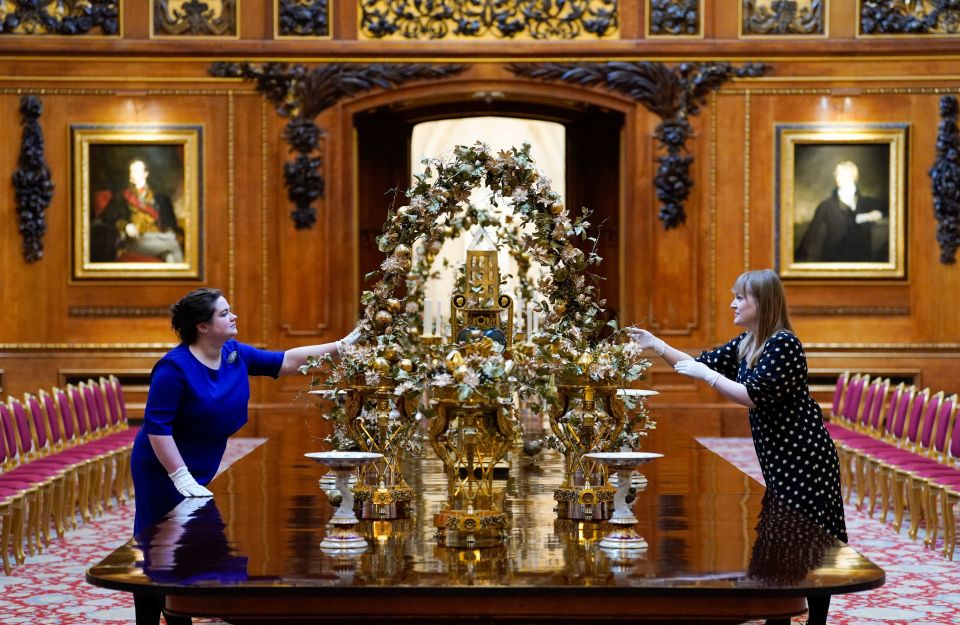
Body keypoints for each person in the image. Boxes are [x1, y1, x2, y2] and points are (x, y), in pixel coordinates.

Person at [627, 269, 846, 625]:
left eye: (740, 297)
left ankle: (814, 622)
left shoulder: (783, 344)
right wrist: (657, 346)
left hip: (804, 459)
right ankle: (780, 618)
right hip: (779, 459)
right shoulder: (748, 342)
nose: (732, 303)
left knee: (810, 542)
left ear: (763, 302)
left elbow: (754, 396)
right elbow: (698, 365)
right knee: (779, 541)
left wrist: (710, 378)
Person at [130, 287, 360, 625]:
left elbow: (288, 361)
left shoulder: (233, 354)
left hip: (201, 463)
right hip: (163, 468)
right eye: (224, 313)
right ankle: (154, 618)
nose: (233, 316)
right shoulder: (173, 368)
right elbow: (157, 428)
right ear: (202, 326)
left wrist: (342, 347)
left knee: (196, 538)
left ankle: (182, 609)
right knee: (162, 545)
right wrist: (180, 477)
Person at [795, 160, 887, 263]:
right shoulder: (826, 205)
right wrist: (798, 259)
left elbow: (891, 207)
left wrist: (875, 214)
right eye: (836, 174)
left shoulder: (866, 203)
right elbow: (811, 234)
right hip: (834, 260)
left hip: (862, 262)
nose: (837, 177)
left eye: (842, 174)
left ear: (852, 177)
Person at [101, 158, 184, 263]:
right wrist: (125, 225)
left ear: (146, 174)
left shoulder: (160, 198)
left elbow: (170, 222)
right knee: (173, 244)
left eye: (137, 171)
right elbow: (107, 216)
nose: (133, 174)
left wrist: (169, 230)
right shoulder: (121, 196)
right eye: (131, 171)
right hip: (135, 240)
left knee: (170, 256)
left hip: (159, 237)